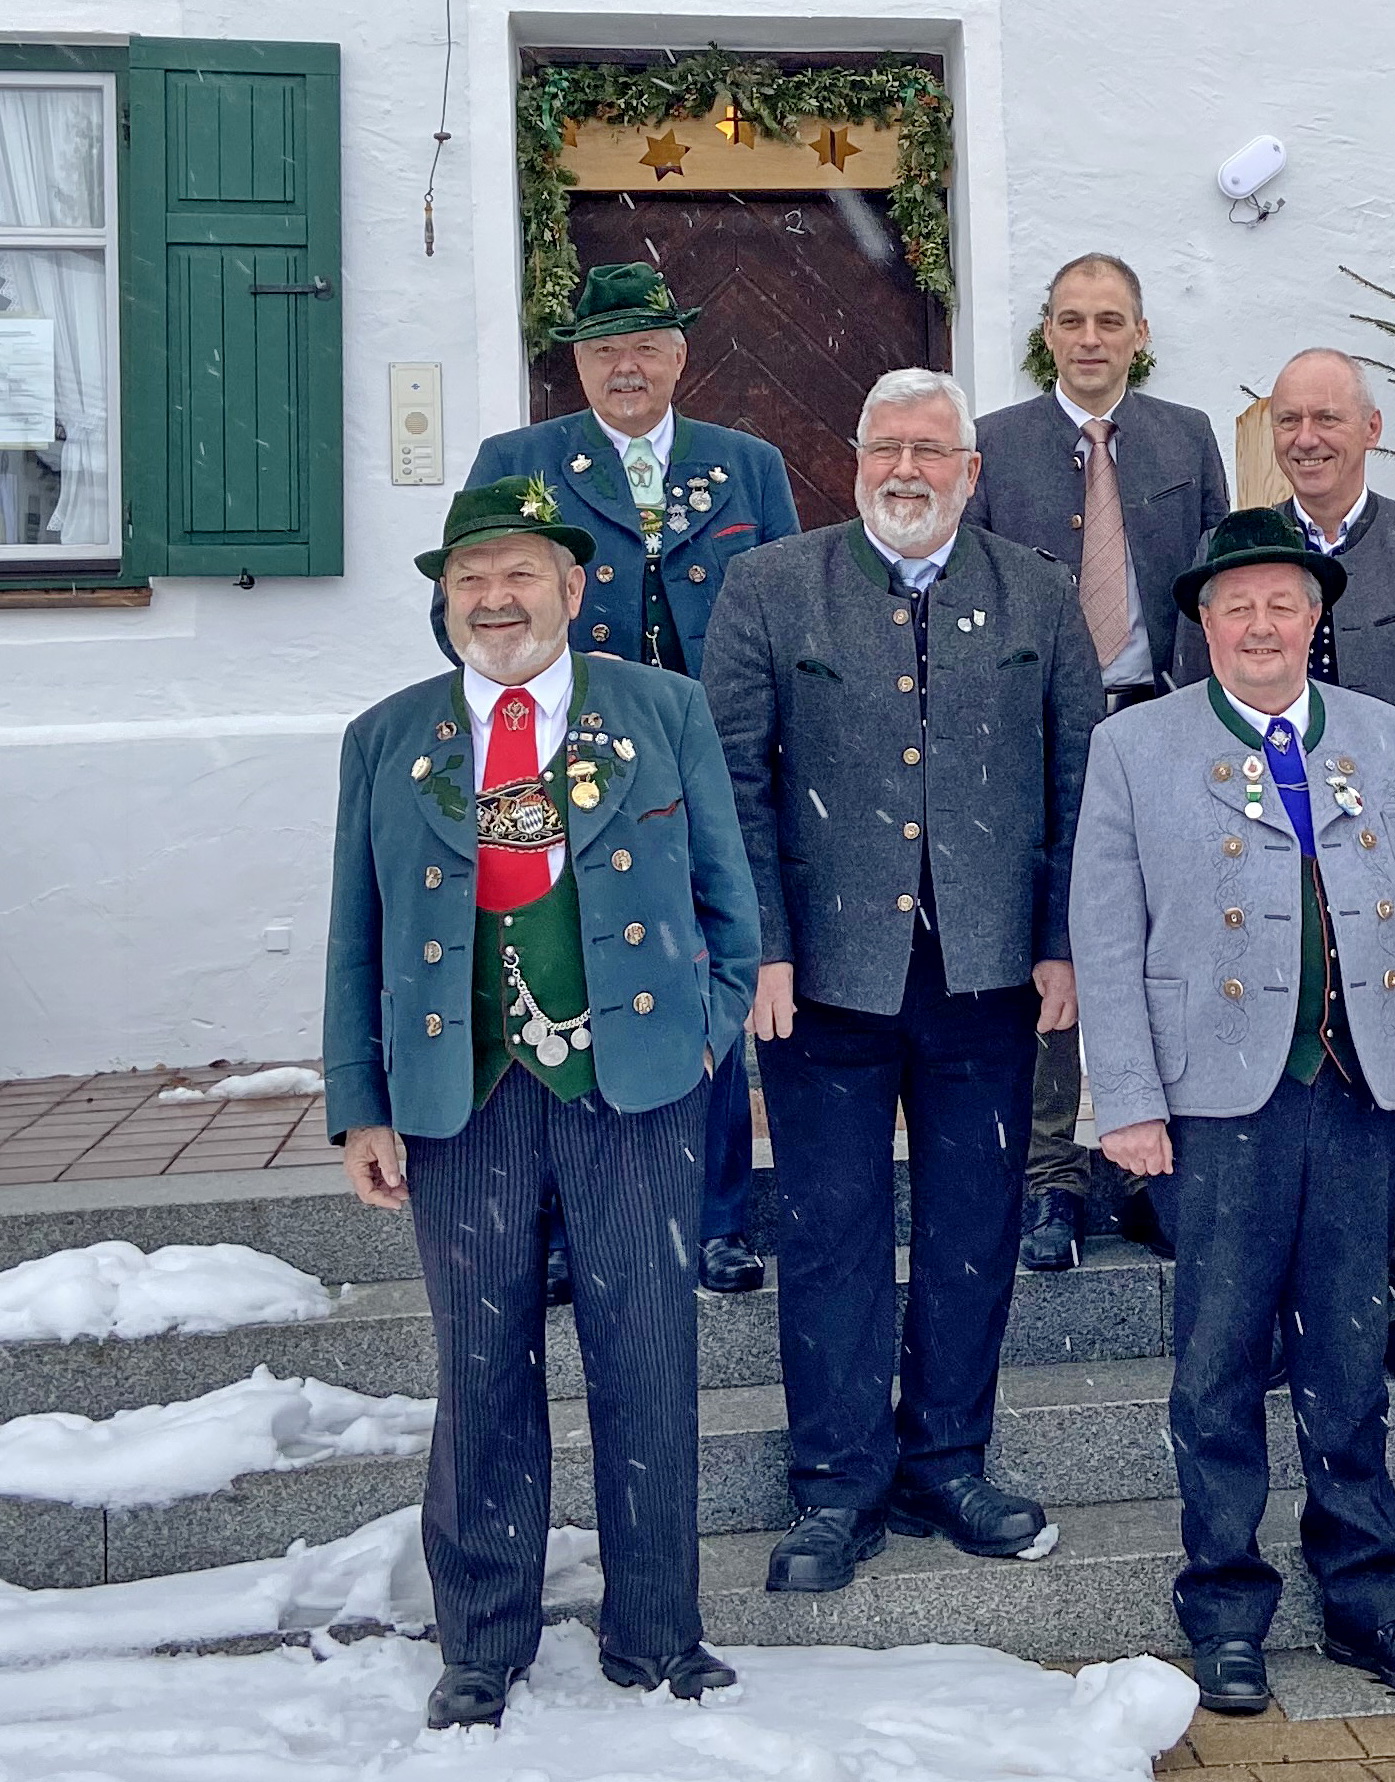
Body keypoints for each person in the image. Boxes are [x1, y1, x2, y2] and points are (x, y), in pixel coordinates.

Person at [325, 476, 758, 1729]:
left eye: (520, 573)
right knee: (479, 1370)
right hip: (459, 1094)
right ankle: (481, 1638)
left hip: (634, 1089)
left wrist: (701, 1039)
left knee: (648, 1356)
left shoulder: (661, 710)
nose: (495, 598)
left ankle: (659, 1632)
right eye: (471, 577)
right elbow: (356, 936)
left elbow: (729, 905)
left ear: (573, 586)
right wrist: (361, 1102)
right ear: (445, 600)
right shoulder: (387, 739)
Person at [1069, 509, 1395, 1715]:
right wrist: (1127, 1100)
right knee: (1217, 1362)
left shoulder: (1388, 738)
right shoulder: (1134, 747)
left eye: (1283, 604)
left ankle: (1368, 1596)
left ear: (1315, 619)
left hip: (1359, 1092)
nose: (1262, 625)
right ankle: (1225, 1605)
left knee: (1350, 1357)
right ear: (1204, 625)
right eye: (1237, 605)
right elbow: (1106, 935)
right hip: (1214, 1100)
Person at [702, 368, 1102, 1595]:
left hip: (986, 975)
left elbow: (1079, 778)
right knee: (830, 1231)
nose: (908, 469)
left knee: (973, 1226)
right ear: (856, 461)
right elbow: (732, 781)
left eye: (933, 449)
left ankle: (946, 1461)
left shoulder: (1037, 592)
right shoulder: (772, 586)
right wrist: (761, 945)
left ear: (971, 472)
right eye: (888, 448)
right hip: (822, 976)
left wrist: (1062, 941)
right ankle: (835, 1483)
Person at [464, 261, 802, 1300]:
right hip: (557, 771)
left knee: (704, 975)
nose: (626, 366)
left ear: (679, 357)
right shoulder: (520, 462)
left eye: (645, 347)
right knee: (562, 975)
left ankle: (715, 1219)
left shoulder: (745, 464)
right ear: (576, 363)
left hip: (706, 769)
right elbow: (466, 610)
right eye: (604, 349)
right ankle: (566, 1229)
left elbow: (788, 611)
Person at [1177, 348, 1395, 1385]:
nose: (1307, 439)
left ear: (1371, 430)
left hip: (1393, 864)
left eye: (1327, 419)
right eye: (1288, 421)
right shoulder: (1234, 557)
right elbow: (1192, 717)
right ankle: (1283, 1308)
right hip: (1255, 865)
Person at [967, 252, 1233, 1273]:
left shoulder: (1186, 436)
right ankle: (1051, 1182)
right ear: (1047, 332)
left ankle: (1151, 1177)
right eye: (1071, 320)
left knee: (1164, 947)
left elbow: (1214, 587)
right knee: (1057, 948)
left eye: (1109, 320)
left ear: (1139, 334)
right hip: (1042, 735)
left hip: (1160, 723)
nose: (1089, 338)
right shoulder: (997, 444)